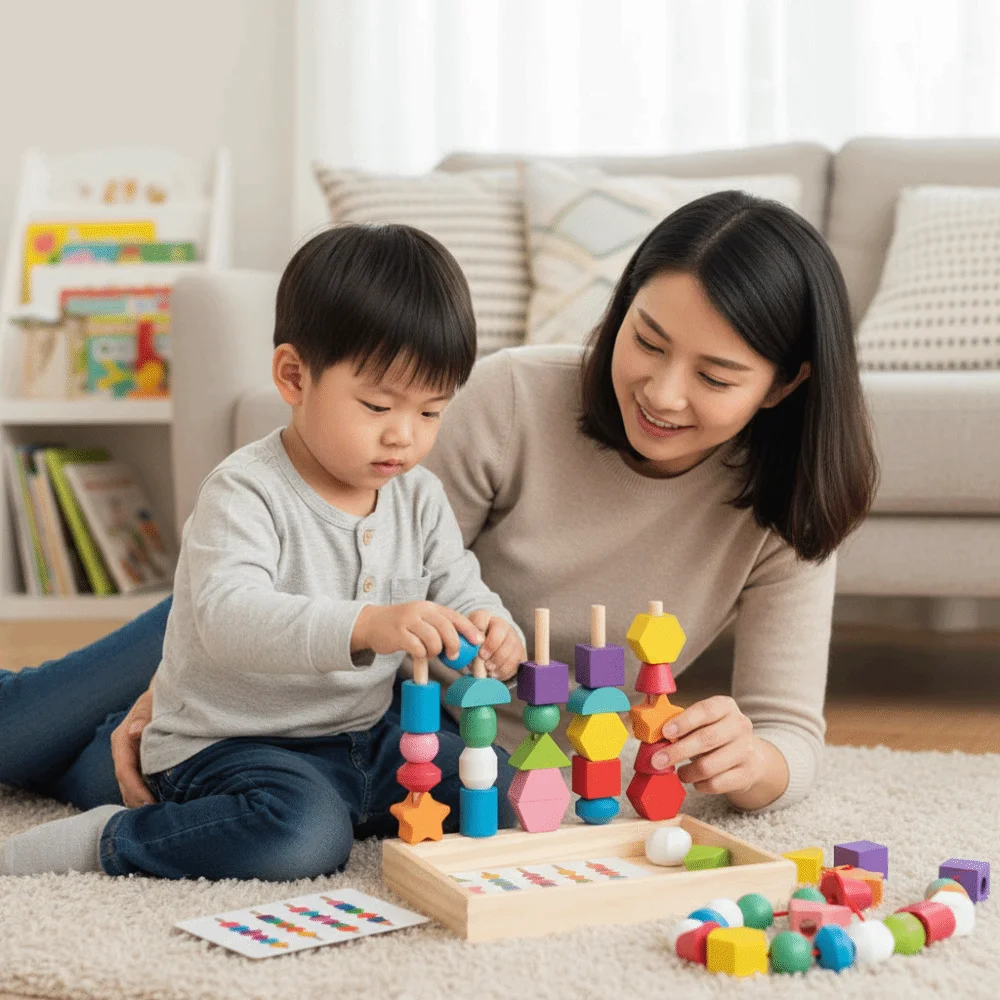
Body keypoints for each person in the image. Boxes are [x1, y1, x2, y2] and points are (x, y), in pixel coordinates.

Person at [0, 190, 877, 856]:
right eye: (646, 340)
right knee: (24, 732)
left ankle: (101, 784)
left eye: (717, 376)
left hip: (423, 717)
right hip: (297, 627)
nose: (662, 390)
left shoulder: (789, 502)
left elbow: (787, 729)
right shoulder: (515, 398)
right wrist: (177, 695)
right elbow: (344, 555)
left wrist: (755, 764)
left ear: (787, 383)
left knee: (165, 787)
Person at [0, 224, 525, 879]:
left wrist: (491, 624)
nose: (404, 436)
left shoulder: (417, 496)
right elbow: (227, 614)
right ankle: (108, 838)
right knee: (302, 838)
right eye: (377, 405)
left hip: (364, 739)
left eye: (431, 413)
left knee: (494, 786)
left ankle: (336, 799)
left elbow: (457, 580)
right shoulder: (245, 490)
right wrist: (367, 625)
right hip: (235, 741)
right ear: (293, 376)